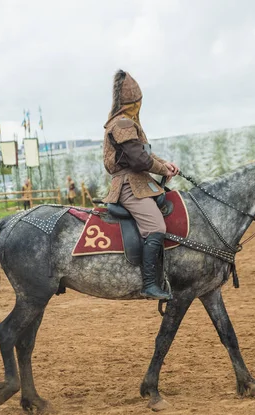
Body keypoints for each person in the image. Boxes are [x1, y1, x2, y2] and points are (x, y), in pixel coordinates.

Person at [102, 69, 180, 300]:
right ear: (133, 103)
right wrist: (161, 168)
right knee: (156, 227)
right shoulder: (123, 124)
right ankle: (149, 284)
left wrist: (165, 164)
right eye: (138, 102)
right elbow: (138, 161)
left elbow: (144, 154)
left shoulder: (125, 122)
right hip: (129, 186)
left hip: (139, 182)